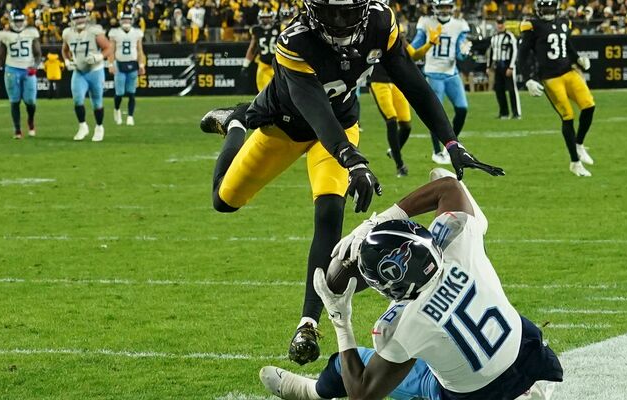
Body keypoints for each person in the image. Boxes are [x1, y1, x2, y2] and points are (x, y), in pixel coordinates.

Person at [198, 0, 504, 367]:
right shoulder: (294, 41)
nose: (341, 21)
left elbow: (410, 79)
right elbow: (315, 111)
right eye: (331, 12)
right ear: (312, 11)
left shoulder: (380, 20)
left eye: (349, 11)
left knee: (330, 210)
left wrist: (451, 142)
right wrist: (353, 160)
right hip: (286, 126)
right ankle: (234, 121)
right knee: (225, 200)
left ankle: (307, 323)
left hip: (340, 125)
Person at [258, 168, 562, 400]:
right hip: (534, 360)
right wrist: (376, 223)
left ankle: (312, 391)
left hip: (477, 395)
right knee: (435, 347)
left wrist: (341, 321)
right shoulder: (458, 242)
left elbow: (362, 393)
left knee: (351, 365)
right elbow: (447, 186)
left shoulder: (404, 325)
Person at [520, 0, 596, 177]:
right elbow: (523, 55)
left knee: (589, 106)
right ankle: (575, 163)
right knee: (568, 115)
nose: (548, 11)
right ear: (538, 10)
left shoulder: (563, 22)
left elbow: (567, 46)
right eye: (544, 8)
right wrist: (528, 79)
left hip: (569, 72)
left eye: (550, 7)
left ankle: (579, 144)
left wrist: (578, 59)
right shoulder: (532, 25)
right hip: (550, 78)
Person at [371, 14, 442, 177]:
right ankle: (399, 164)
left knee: (406, 125)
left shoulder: (399, 39)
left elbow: (414, 55)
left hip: (396, 83)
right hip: (379, 82)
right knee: (391, 120)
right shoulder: (373, 38)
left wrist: (430, 43)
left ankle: (393, 150)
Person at [412, 0, 472, 165]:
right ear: (435, 8)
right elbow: (416, 45)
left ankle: (450, 144)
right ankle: (436, 150)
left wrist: (464, 52)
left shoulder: (459, 25)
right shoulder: (426, 22)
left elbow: (460, 53)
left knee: (462, 108)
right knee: (435, 113)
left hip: (451, 73)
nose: (445, 10)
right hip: (432, 72)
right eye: (442, 7)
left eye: (447, 7)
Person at [63, 7, 112, 141]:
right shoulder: (68, 33)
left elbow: (108, 47)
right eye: (76, 18)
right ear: (72, 20)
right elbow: (65, 50)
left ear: (86, 17)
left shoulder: (95, 31)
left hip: (95, 70)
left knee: (97, 102)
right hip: (79, 71)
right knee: (77, 99)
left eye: (81, 17)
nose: (79, 20)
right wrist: (67, 61)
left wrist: (99, 57)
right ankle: (83, 126)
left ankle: (99, 127)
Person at [0, 9, 41, 139]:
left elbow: (38, 54)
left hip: (28, 69)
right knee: (14, 101)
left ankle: (30, 121)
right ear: (11, 21)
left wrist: (35, 66)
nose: (19, 23)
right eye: (16, 21)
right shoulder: (4, 35)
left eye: (21, 20)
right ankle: (17, 129)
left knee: (30, 101)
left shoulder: (31, 33)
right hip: (12, 69)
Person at [108, 10, 145, 126]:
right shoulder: (115, 33)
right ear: (120, 21)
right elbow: (111, 50)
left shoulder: (137, 33)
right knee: (119, 93)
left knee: (131, 93)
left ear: (131, 20)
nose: (126, 22)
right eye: (124, 20)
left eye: (128, 19)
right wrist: (110, 64)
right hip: (119, 64)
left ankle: (130, 116)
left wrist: (141, 64)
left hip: (133, 64)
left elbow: (140, 50)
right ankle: (117, 110)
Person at [488, 16, 520, 120]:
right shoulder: (494, 37)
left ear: (504, 24)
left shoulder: (510, 36)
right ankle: (504, 113)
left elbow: (515, 51)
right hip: (497, 66)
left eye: (501, 23)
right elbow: (491, 52)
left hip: (507, 65)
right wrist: (489, 66)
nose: (500, 25)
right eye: (498, 23)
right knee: (499, 90)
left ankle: (516, 113)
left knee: (512, 90)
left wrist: (511, 67)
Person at [242, 8, 279, 93]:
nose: (266, 20)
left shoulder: (279, 27)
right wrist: (245, 64)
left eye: (268, 17)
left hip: (278, 66)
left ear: (272, 17)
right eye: (263, 17)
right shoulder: (256, 30)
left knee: (281, 93)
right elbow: (252, 48)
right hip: (263, 66)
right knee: (264, 94)